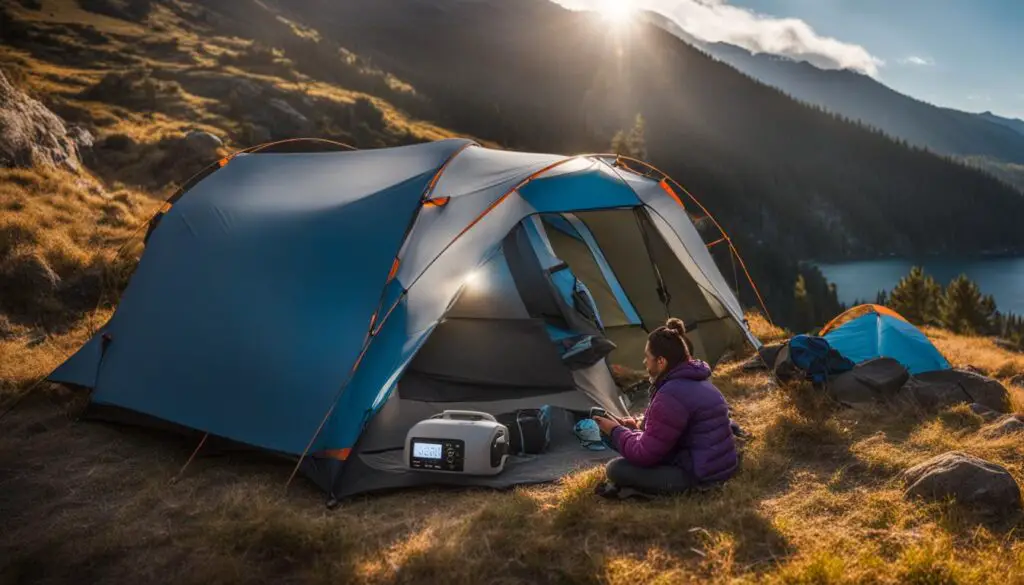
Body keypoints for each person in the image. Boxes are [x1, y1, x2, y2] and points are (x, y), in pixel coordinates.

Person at [592, 318, 738, 496]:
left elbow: (644, 455)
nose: (645, 362)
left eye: (647, 357)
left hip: (698, 476)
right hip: (718, 466)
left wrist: (615, 431)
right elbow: (668, 430)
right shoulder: (699, 382)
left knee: (615, 469)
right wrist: (635, 425)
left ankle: (640, 491)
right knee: (632, 441)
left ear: (661, 361)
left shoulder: (671, 394)